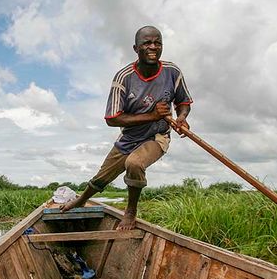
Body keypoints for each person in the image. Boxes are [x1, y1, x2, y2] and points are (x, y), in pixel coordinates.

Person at [61, 25, 192, 230]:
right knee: (100, 178)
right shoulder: (124, 77)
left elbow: (183, 101)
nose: (153, 47)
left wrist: (182, 117)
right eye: (147, 43)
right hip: (129, 138)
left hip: (157, 136)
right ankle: (80, 199)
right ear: (135, 48)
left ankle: (130, 211)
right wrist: (152, 115)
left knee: (134, 163)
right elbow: (112, 118)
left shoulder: (172, 72)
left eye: (158, 43)